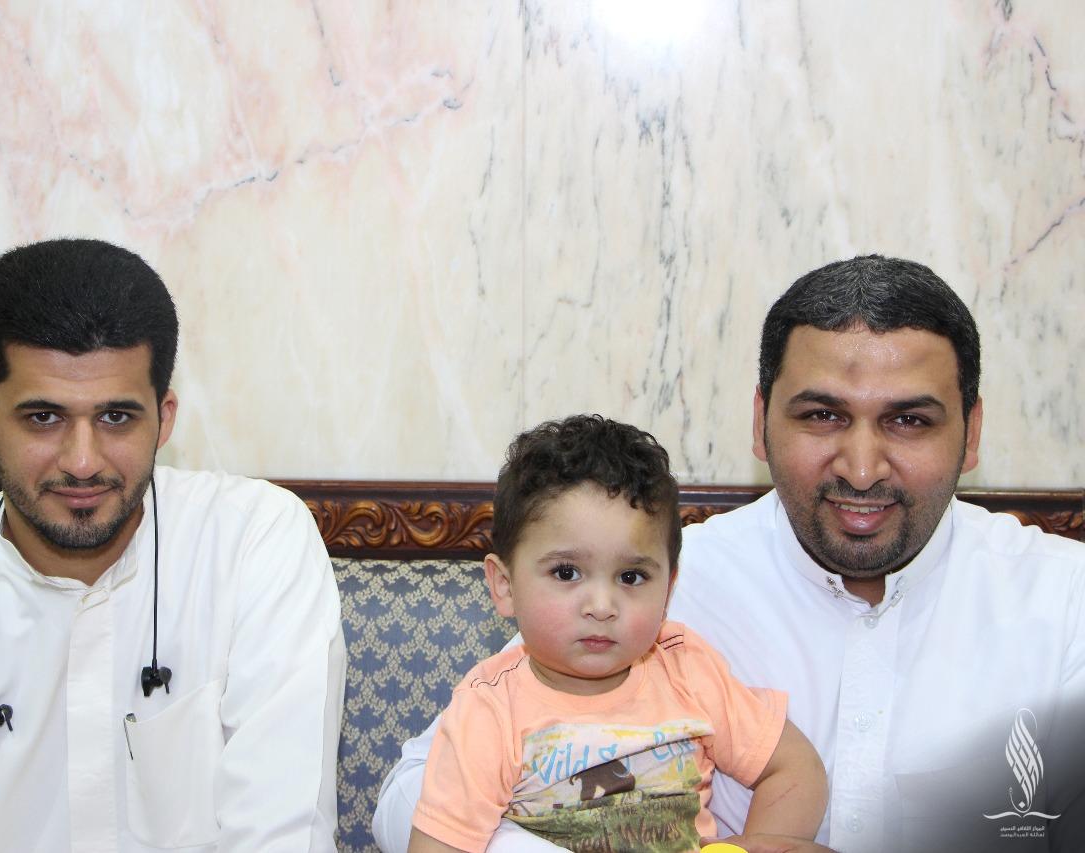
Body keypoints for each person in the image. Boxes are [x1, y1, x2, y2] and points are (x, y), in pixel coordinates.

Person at [374, 255, 1085, 853]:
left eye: (908, 420)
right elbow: (410, 795)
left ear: (972, 432)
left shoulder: (1065, 602)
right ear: (760, 421)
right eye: (823, 415)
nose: (863, 467)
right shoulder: (653, 582)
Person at [0, 239, 347, 851]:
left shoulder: (254, 547)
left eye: (116, 417)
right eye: (44, 417)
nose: (83, 462)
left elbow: (279, 835)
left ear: (165, 418)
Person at [408, 415, 827, 853]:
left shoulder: (687, 671)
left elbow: (796, 768)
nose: (602, 606)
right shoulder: (489, 711)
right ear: (505, 586)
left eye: (631, 577)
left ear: (669, 589)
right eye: (566, 572)